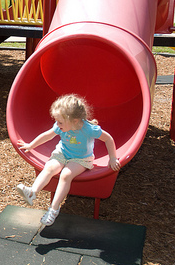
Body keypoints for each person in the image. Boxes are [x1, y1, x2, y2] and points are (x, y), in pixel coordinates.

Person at [15, 94, 120, 226]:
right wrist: (31, 145)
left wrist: (113, 158)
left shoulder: (89, 129)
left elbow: (108, 139)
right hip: (63, 153)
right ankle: (32, 192)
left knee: (65, 175)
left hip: (81, 159)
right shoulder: (61, 126)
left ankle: (53, 209)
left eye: (60, 122)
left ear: (75, 120)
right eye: (57, 121)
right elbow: (47, 135)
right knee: (49, 168)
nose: (57, 125)